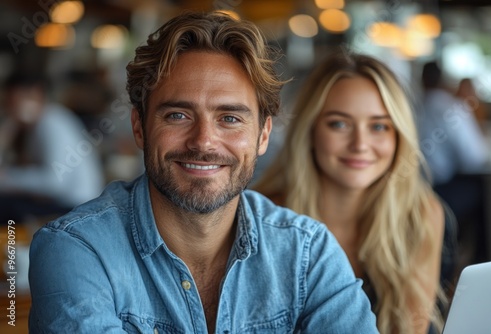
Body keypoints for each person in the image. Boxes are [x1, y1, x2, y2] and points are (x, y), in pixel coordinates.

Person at [28, 12, 378, 333]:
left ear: (263, 135)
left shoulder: (308, 252)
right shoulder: (76, 249)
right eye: (178, 115)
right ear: (139, 127)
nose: (204, 142)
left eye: (230, 118)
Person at [253, 52, 448, 334]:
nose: (360, 144)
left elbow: (410, 329)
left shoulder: (419, 214)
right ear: (310, 130)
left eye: (379, 126)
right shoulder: (265, 217)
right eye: (339, 124)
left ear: (398, 137)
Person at [0, 72, 105, 223]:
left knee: (5, 205)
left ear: (37, 94)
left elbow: (55, 182)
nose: (11, 107)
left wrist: (7, 180)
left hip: (77, 207)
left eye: (14, 100)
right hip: (63, 203)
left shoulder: (51, 122)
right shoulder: (35, 127)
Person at [417, 62, 488, 185]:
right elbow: (474, 157)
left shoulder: (412, 106)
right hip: (447, 186)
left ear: (421, 80)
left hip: (415, 185)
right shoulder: (453, 108)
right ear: (442, 81)